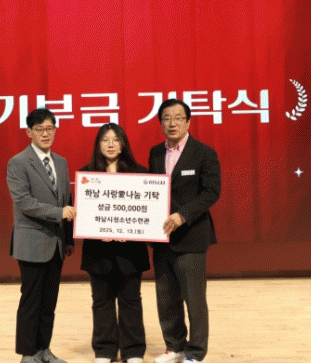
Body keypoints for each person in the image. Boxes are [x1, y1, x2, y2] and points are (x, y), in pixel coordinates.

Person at [148, 99, 221, 363]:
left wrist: (182, 215)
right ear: (160, 123)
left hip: (191, 237)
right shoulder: (156, 153)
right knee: (166, 298)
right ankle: (175, 346)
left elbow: (211, 192)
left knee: (194, 299)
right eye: (167, 118)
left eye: (179, 118)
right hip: (162, 238)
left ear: (188, 122)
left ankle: (196, 353)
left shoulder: (204, 153)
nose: (173, 123)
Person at [7, 108, 77, 363]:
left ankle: (44, 350)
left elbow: (67, 199)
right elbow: (25, 202)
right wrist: (59, 213)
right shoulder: (18, 162)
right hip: (32, 243)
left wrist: (68, 239)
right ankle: (28, 354)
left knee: (49, 303)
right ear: (29, 132)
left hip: (56, 244)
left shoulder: (61, 162)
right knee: (31, 302)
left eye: (49, 129)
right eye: (39, 130)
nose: (45, 134)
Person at [80, 123, 150, 363]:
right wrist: (95, 230)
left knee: (131, 300)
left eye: (115, 139)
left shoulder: (140, 174)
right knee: (102, 301)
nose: (110, 144)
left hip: (130, 250)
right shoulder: (87, 175)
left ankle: (133, 351)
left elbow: (147, 213)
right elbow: (82, 214)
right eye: (105, 140)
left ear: (123, 144)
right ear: (98, 145)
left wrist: (131, 231)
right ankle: (104, 350)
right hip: (98, 249)